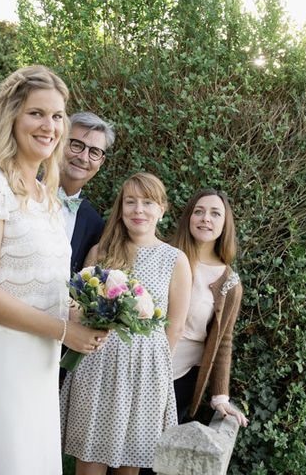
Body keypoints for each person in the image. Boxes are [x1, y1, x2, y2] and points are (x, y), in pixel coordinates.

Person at [0, 65, 108, 475]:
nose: (50, 126)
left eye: (58, 115)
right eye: (37, 114)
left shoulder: (48, 198)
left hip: (41, 364)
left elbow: (45, 286)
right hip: (3, 359)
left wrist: (79, 316)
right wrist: (64, 331)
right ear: (12, 118)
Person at [61, 172, 192, 475]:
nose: (138, 210)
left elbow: (175, 326)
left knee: (128, 466)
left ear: (162, 208)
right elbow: (76, 307)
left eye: (148, 202)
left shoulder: (175, 260)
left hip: (146, 374)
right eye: (130, 202)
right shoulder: (101, 253)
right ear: (121, 209)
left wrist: (152, 366)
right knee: (89, 461)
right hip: (98, 367)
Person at [171, 188, 249, 426]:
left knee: (153, 454)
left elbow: (223, 340)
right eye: (199, 211)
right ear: (189, 218)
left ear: (225, 225)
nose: (206, 218)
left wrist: (220, 396)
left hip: (181, 377)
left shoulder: (229, 282)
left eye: (215, 214)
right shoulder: (166, 255)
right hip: (139, 364)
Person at [59, 112, 114, 274]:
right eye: (76, 145)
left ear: (101, 162)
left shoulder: (95, 225)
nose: (83, 158)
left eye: (94, 152)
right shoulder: (24, 191)